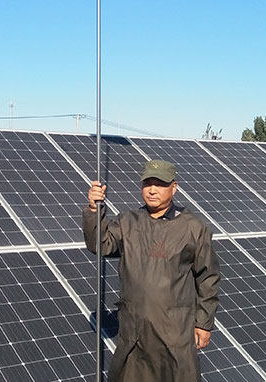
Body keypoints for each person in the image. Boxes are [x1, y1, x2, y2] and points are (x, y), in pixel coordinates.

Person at [83, 159, 220, 382]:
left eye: (160, 184)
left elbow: (208, 277)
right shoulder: (128, 222)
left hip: (174, 334)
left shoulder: (193, 227)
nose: (152, 190)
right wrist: (93, 210)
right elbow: (100, 244)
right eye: (147, 183)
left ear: (173, 188)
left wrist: (203, 323)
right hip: (135, 332)